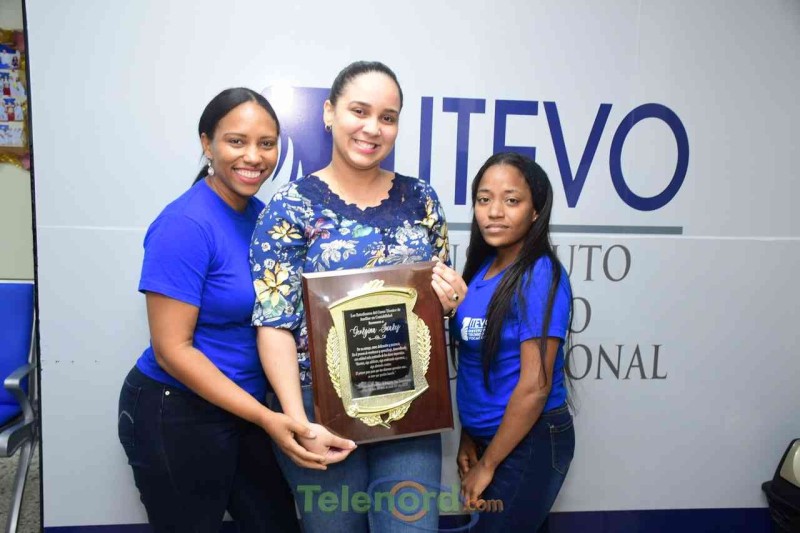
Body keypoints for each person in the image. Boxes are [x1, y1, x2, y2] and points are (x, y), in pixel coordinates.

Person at [250, 61, 466, 532]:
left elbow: (433, 301)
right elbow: (274, 321)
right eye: (359, 111)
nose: (372, 128)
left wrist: (448, 303)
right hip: (320, 408)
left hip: (409, 403)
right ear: (329, 112)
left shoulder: (422, 199)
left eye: (387, 117)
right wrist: (298, 421)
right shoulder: (290, 206)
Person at [117, 88, 334, 532]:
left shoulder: (263, 217)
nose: (254, 156)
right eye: (237, 141)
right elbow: (172, 350)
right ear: (207, 144)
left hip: (248, 410)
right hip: (178, 412)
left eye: (266, 143)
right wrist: (266, 417)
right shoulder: (184, 224)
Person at [454, 152, 575, 532]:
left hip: (529, 442)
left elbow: (535, 386)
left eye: (511, 200)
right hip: (491, 438)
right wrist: (470, 435)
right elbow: (477, 365)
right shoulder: (481, 269)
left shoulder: (539, 274)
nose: (494, 212)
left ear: (536, 210)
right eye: (484, 199)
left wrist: (489, 465)